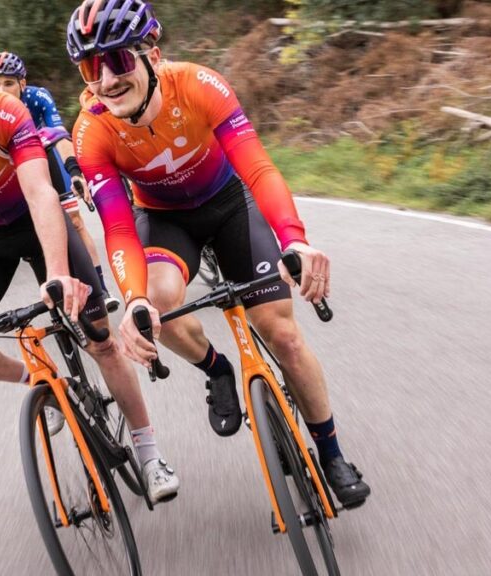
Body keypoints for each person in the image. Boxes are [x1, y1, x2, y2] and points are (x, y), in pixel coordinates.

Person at [66, 0, 370, 507]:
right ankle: (216, 369)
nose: (106, 79)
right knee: (158, 302)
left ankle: (332, 454)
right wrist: (134, 298)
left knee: (284, 336)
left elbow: (258, 169)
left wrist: (294, 237)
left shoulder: (198, 85)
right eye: (90, 68)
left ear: (152, 56)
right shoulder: (92, 130)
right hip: (164, 218)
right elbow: (117, 226)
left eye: (117, 61)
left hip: (229, 202)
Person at [0, 33, 179, 502]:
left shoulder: (5, 114)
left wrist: (60, 275)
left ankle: (149, 454)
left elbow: (42, 195)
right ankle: (39, 380)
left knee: (100, 340)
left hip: (37, 222)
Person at [0, 51, 121, 312]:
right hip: (7, 167)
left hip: (42, 156)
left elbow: (59, 136)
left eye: (8, 83)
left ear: (22, 83)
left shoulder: (38, 97)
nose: (1, 90)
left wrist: (74, 170)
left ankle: (101, 288)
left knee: (76, 223)